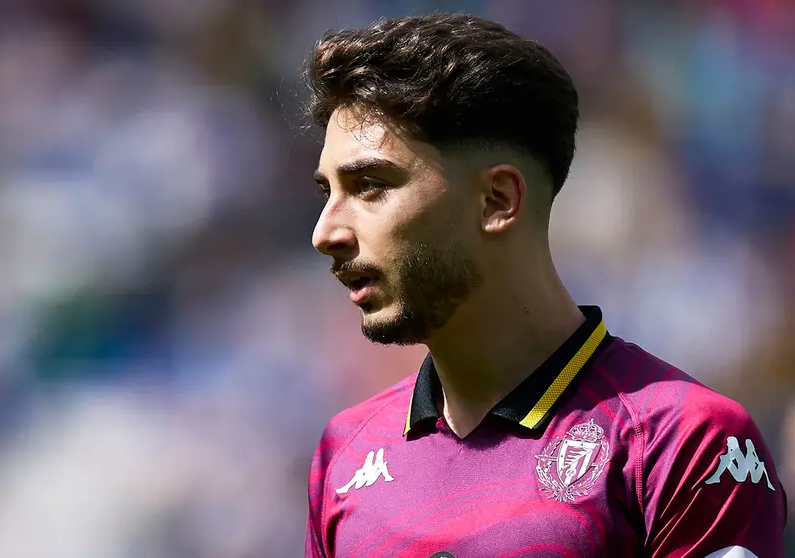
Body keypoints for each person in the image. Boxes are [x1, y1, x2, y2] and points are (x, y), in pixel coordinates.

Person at [301, 13, 787, 558]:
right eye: (327, 190)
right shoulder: (344, 454)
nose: (326, 232)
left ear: (498, 200)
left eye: (370, 186)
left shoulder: (686, 442)